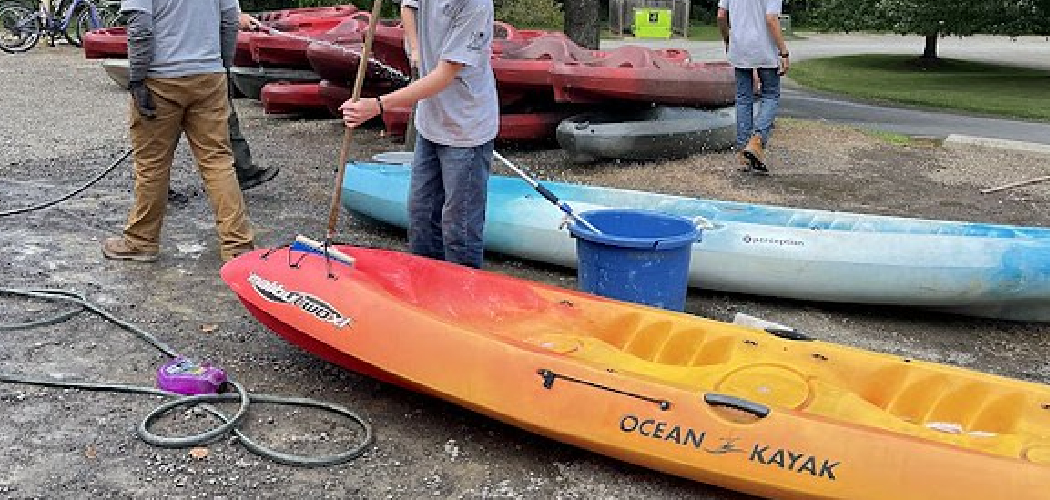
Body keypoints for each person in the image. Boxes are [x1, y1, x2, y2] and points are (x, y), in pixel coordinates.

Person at [341, 0, 498, 269]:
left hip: (465, 128)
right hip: (430, 122)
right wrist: (415, 48)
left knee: (458, 229)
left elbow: (444, 75)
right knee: (421, 217)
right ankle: (424, 288)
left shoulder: (476, 5)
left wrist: (377, 105)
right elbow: (408, 6)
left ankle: (465, 298)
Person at [105, 0, 255, 263]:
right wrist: (222, 66)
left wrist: (137, 79)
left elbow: (140, 28)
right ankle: (238, 246)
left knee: (152, 165)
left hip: (160, 79)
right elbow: (231, 20)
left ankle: (142, 241)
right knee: (218, 162)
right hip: (209, 75)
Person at [717, 0, 790, 174]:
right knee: (770, 95)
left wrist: (728, 39)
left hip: (739, 48)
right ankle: (757, 140)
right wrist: (784, 52)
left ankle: (743, 153)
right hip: (764, 50)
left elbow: (721, 15)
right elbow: (771, 19)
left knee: (743, 98)